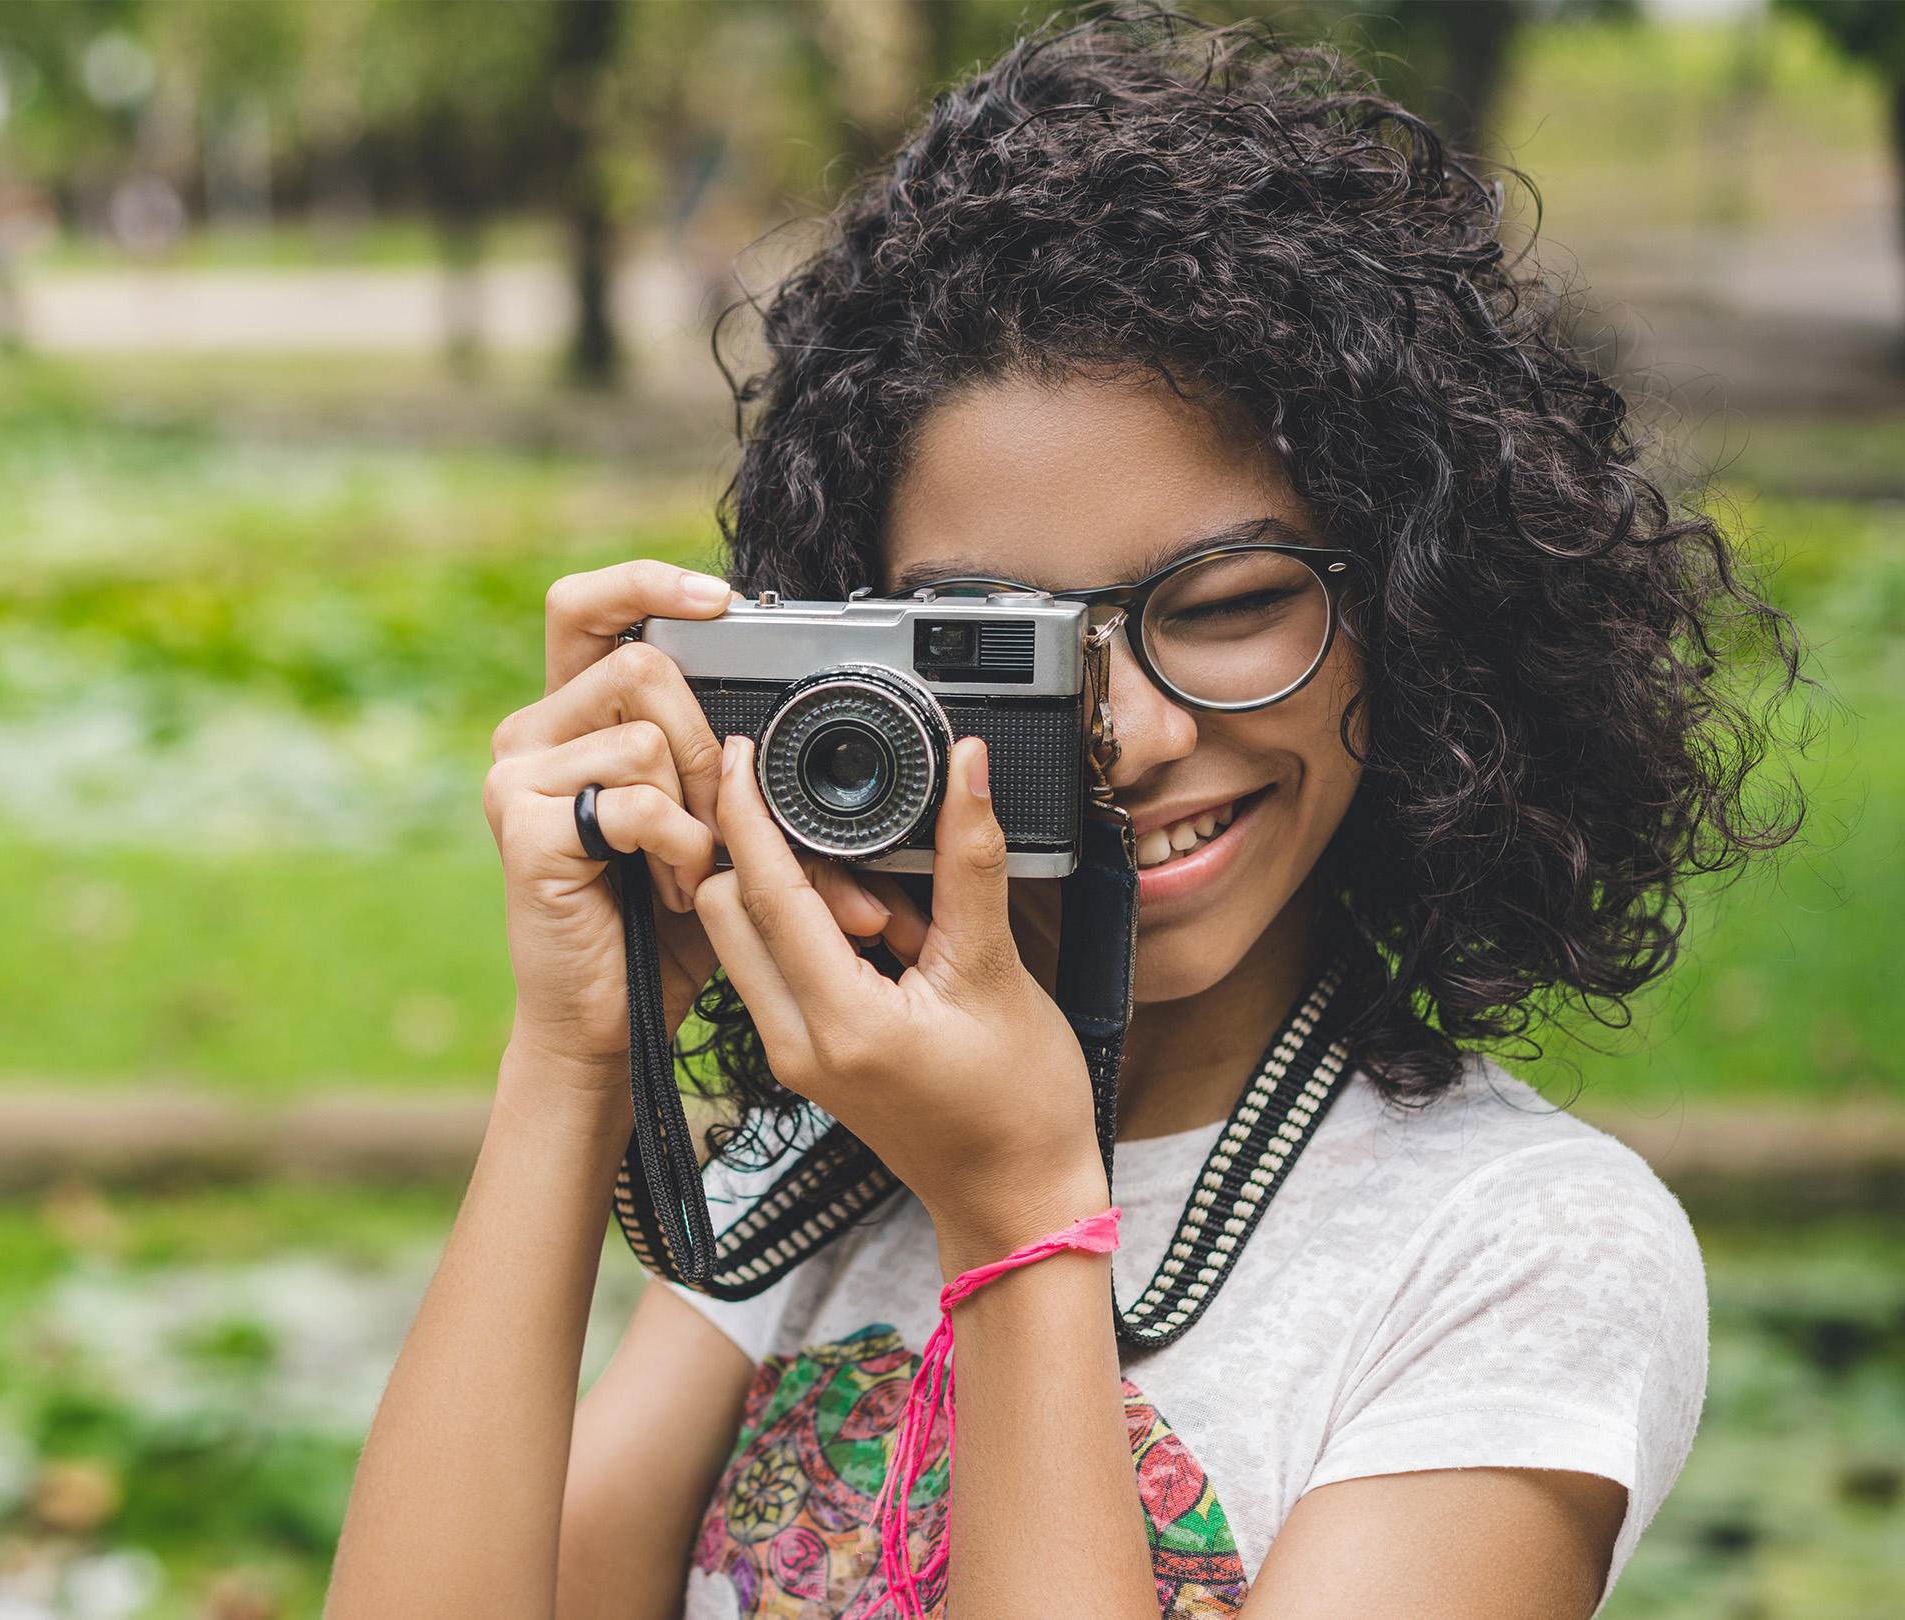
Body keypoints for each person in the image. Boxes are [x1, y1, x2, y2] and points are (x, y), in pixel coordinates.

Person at [329, 11, 1800, 1620]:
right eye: (1001, 648)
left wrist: (1023, 1214)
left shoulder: (1516, 1246)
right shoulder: (834, 1152)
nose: (1138, 735)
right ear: (847, 660)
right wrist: (574, 1063)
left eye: (1229, 604)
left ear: (1420, 610)